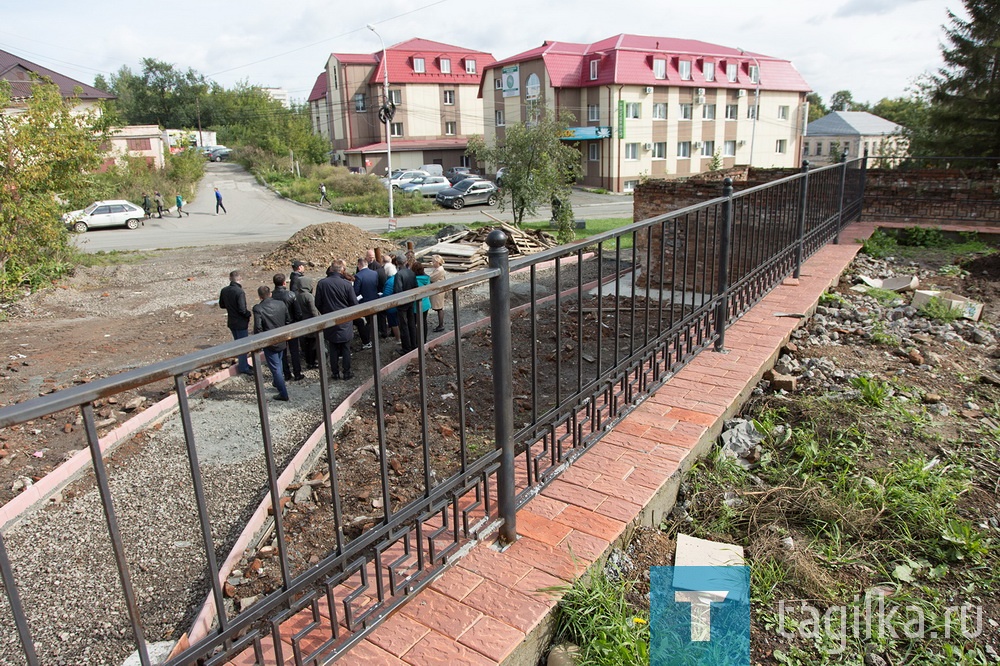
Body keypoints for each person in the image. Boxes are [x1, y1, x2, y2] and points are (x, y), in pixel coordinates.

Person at [314, 260, 357, 380]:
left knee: (333, 347)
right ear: (342, 270)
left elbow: (317, 303)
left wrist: (326, 313)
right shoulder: (347, 285)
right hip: (345, 320)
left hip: (330, 319)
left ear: (331, 269)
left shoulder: (322, 284)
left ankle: (335, 373)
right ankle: (347, 372)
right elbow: (354, 303)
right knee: (346, 348)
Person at [252, 285, 291, 401]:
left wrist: (259, 342)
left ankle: (283, 393)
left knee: (276, 368)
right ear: (270, 294)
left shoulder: (258, 309)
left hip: (269, 342)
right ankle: (277, 382)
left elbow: (258, 328)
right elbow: (287, 320)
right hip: (281, 338)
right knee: (278, 362)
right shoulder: (281, 304)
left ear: (259, 296)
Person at [219, 271, 253, 374]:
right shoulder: (239, 292)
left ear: (230, 278)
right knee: (243, 346)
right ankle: (244, 367)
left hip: (231, 321)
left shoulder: (224, 290)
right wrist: (248, 314)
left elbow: (222, 305)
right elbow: (242, 310)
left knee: (238, 344)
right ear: (240, 279)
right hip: (240, 322)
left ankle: (244, 364)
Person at [272, 273, 304, 381]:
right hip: (291, 325)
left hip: (278, 326)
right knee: (294, 350)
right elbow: (298, 312)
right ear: (284, 283)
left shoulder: (271, 296)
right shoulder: (290, 295)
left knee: (283, 352)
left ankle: (286, 374)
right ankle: (297, 373)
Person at [392, 254, 417, 353]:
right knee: (411, 323)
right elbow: (415, 286)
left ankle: (406, 347)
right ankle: (414, 344)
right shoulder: (411, 272)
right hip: (411, 301)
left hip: (402, 304)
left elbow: (397, 290)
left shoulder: (399, 274)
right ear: (406, 261)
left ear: (397, 263)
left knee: (404, 326)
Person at [294, 276, 321, 369]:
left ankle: (309, 362)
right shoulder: (308, 296)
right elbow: (313, 311)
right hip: (311, 323)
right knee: (314, 344)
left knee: (308, 344)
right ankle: (315, 361)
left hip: (302, 323)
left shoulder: (296, 295)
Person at [353, 258, 380, 350]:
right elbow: (376, 285)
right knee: (374, 319)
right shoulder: (375, 273)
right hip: (375, 299)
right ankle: (376, 335)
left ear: (359, 265)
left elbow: (356, 291)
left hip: (364, 301)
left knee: (367, 321)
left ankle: (368, 338)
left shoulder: (358, 276)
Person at [413, 261, 432, 340]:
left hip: (415, 305)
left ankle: (416, 340)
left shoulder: (414, 280)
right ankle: (424, 339)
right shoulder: (427, 278)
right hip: (426, 303)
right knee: (424, 321)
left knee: (414, 323)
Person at [429, 254, 447, 332]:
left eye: (433, 262)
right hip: (438, 290)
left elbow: (431, 278)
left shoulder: (439, 270)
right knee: (439, 308)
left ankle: (441, 325)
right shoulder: (439, 269)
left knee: (439, 308)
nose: (432, 263)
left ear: (437, 262)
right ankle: (440, 324)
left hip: (438, 292)